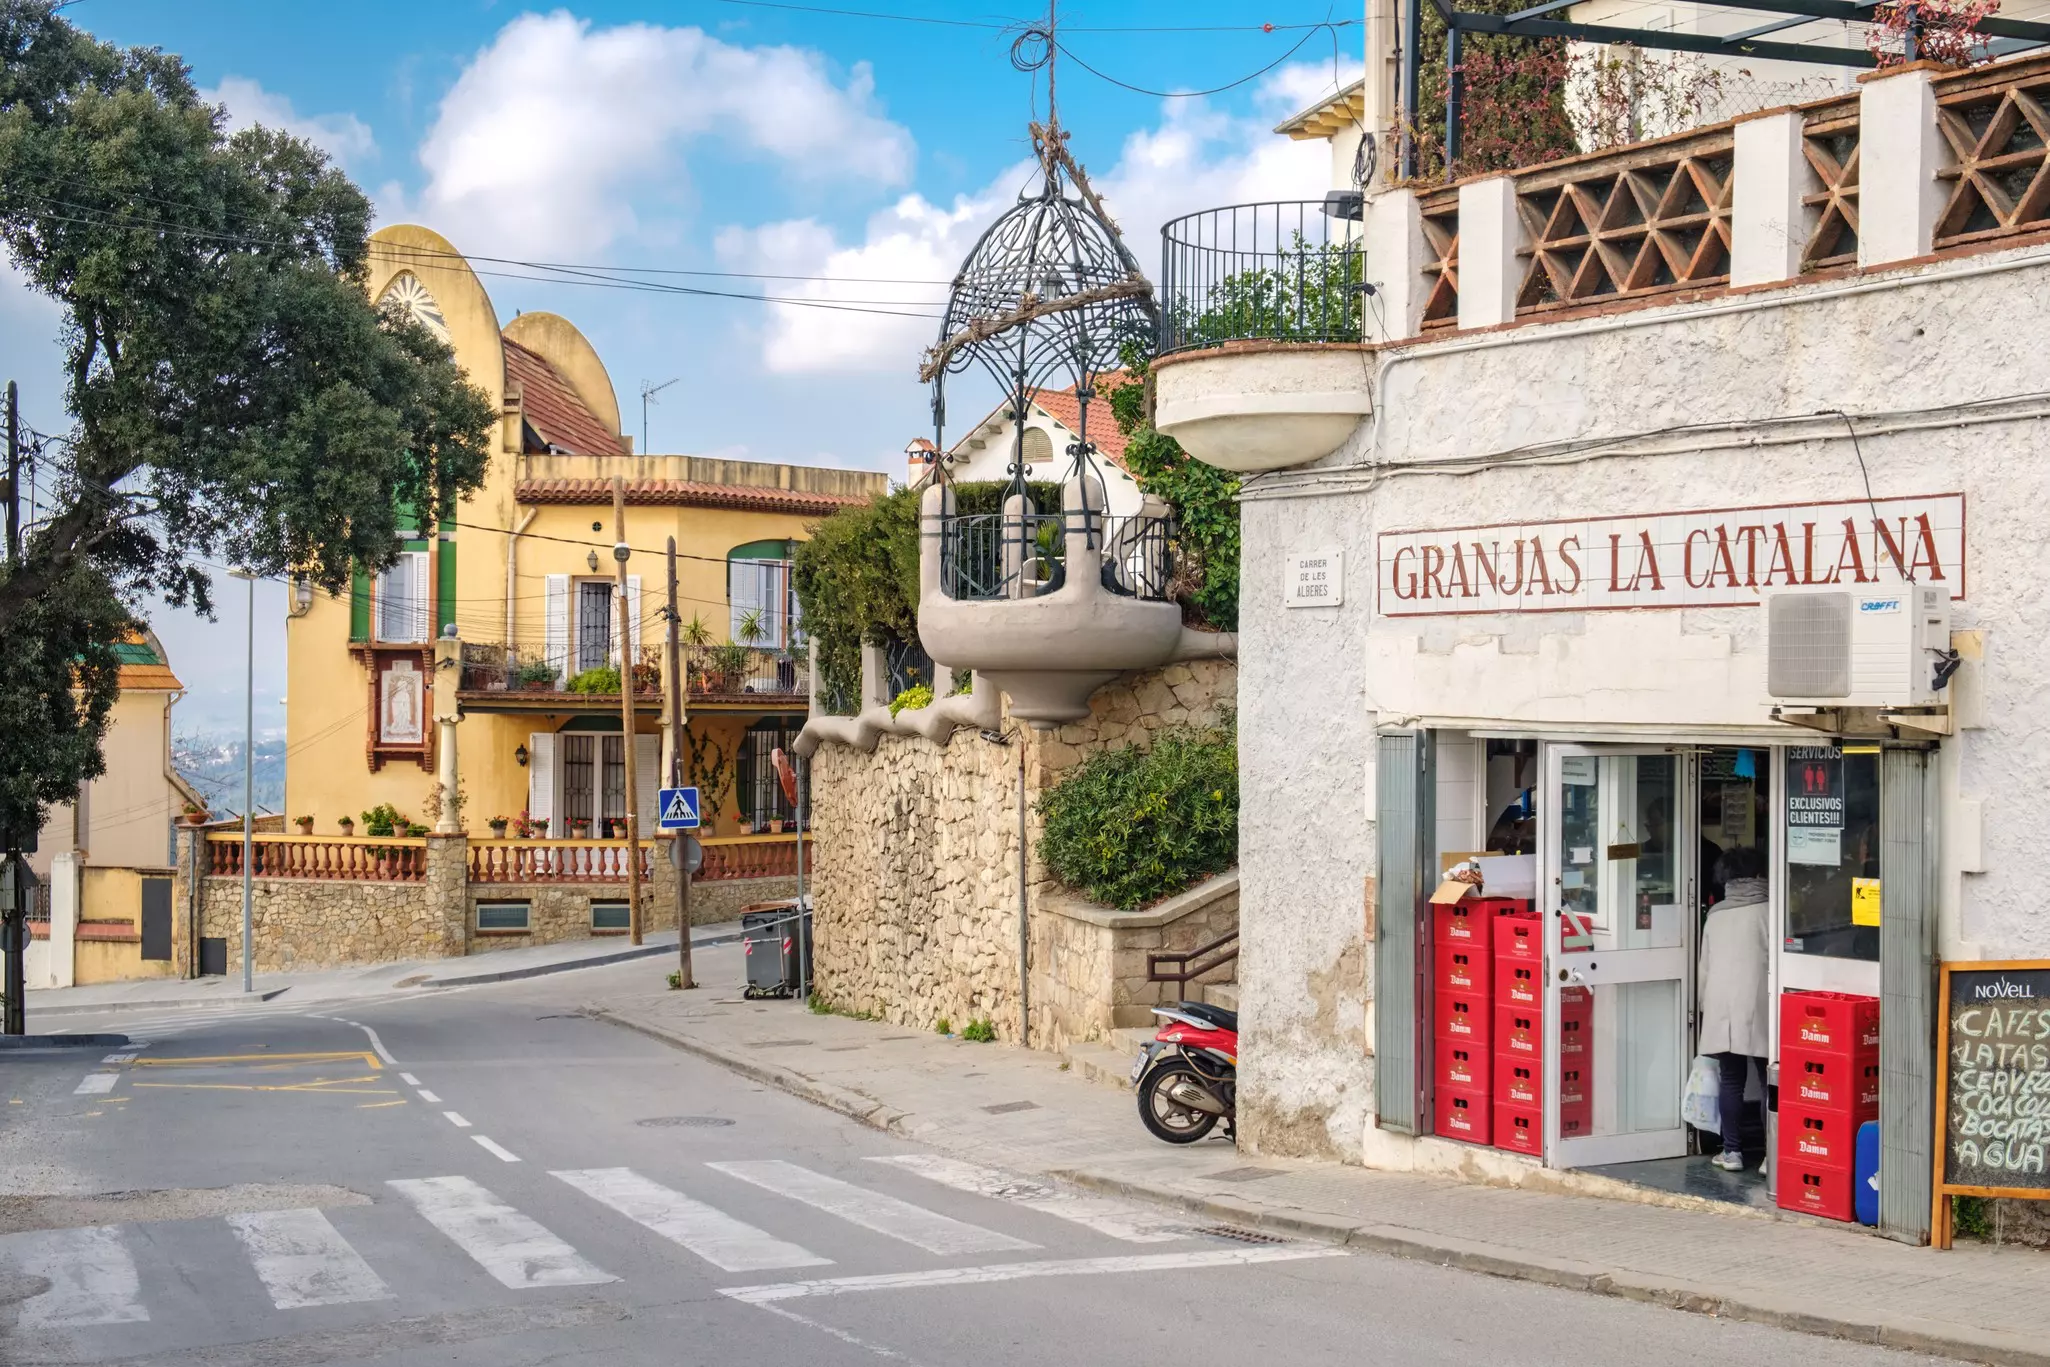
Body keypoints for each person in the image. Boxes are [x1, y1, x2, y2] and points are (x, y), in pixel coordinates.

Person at [1696, 845, 1770, 1171]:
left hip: (1721, 1006)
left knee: (1731, 1079)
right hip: (1760, 1004)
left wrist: (1703, 1007)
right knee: (1769, 1080)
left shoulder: (1716, 915)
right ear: (1759, 874)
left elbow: (1705, 968)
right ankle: (1771, 1156)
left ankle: (1732, 1152)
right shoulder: (1770, 910)